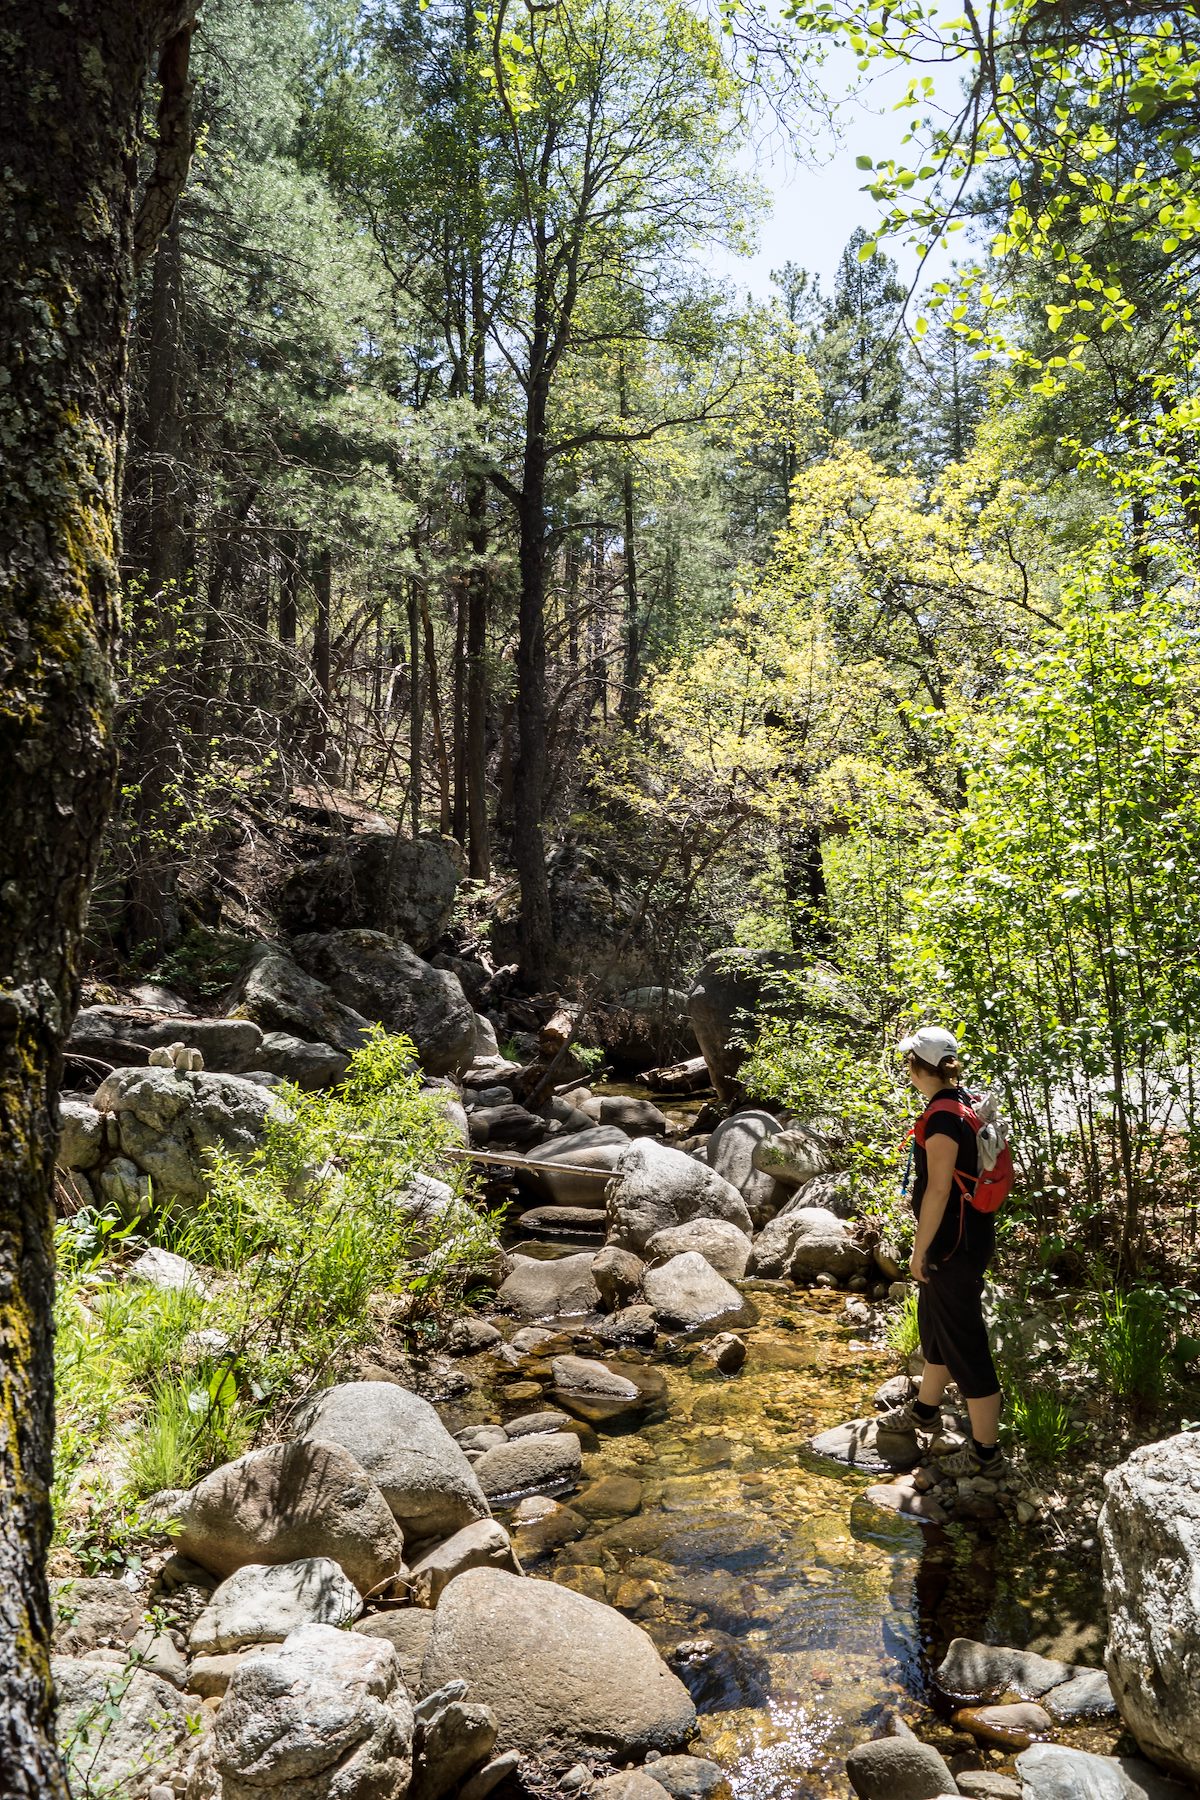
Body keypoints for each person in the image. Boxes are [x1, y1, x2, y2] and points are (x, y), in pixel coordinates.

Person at [878, 1025, 1005, 1477]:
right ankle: (926, 1412)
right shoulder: (964, 1101)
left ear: (917, 1066)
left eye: (907, 1062)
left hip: (951, 1245)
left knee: (966, 1344)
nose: (905, 1069)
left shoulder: (944, 1118)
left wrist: (919, 1251)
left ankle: (987, 1455)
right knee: (936, 1329)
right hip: (966, 1237)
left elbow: (936, 1191)